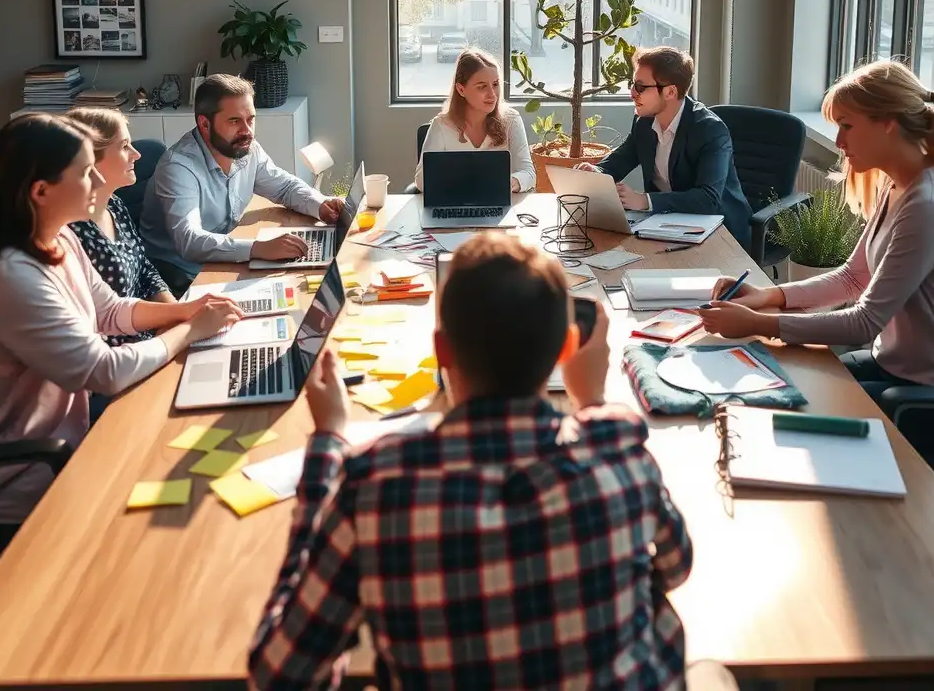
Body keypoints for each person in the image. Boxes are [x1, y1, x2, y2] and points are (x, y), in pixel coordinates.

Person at [249, 232, 692, 690]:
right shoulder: (618, 451)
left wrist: (326, 446)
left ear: (441, 351)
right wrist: (592, 401)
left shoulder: (376, 488)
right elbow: (676, 566)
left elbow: (280, 675)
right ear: (566, 348)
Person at [699, 60, 934, 452]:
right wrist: (769, 297)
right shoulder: (899, 185)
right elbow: (852, 278)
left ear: (887, 121)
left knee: (797, 418)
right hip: (898, 366)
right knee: (788, 379)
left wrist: (760, 322)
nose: (838, 141)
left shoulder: (929, 204)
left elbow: (865, 321)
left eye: (847, 125)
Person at [0, 115, 243, 528]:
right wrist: (191, 331)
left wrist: (186, 310)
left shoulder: (58, 238)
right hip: (29, 476)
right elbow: (103, 370)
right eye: (85, 173)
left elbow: (110, 311)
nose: (99, 182)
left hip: (69, 439)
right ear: (41, 191)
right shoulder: (12, 275)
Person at [140, 74, 345, 298]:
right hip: (180, 276)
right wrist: (258, 248)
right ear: (204, 124)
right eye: (234, 121)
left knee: (300, 286)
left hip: (224, 256)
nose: (247, 130)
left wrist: (320, 204)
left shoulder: (245, 148)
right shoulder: (178, 168)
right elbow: (189, 240)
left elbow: (284, 187)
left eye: (251, 119)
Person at [577, 46, 751, 248]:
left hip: (720, 233)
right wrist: (595, 173)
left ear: (670, 92)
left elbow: (708, 199)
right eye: (632, 84)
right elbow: (621, 160)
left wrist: (644, 201)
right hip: (665, 226)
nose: (632, 93)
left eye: (641, 87)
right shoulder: (644, 122)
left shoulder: (710, 130)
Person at [66, 107, 175, 347]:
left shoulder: (114, 204)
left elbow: (145, 272)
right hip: (121, 354)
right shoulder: (71, 232)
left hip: (150, 337)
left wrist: (178, 313)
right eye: (124, 146)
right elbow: (103, 325)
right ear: (90, 159)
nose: (136, 154)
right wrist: (177, 329)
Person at [414, 48, 535, 193]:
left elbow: (529, 173)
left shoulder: (511, 120)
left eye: (495, 84)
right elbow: (421, 181)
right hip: (453, 205)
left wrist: (512, 181)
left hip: (500, 206)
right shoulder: (441, 125)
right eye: (482, 86)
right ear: (461, 89)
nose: (492, 94)